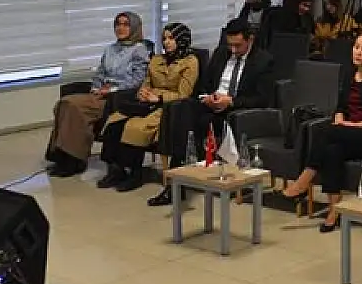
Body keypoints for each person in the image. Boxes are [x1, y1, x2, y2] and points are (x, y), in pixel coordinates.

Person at [281, 30, 362, 230]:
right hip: (345, 134)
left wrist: (353, 126)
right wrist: (340, 119)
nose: (358, 52)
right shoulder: (348, 74)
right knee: (331, 150)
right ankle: (334, 210)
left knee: (326, 132)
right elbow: (340, 107)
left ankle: (304, 180)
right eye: (356, 47)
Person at [96, 23, 198, 196]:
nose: (166, 42)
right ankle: (116, 169)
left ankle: (135, 173)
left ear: (181, 40)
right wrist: (143, 93)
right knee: (115, 121)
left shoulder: (190, 62)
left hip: (168, 107)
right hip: (146, 103)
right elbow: (147, 82)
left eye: (171, 38)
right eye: (164, 38)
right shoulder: (157, 59)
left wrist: (159, 98)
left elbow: (184, 94)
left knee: (135, 127)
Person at [46, 12, 151, 177]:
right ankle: (62, 156)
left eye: (126, 24)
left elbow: (137, 81)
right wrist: (96, 88)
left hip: (118, 97)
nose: (120, 28)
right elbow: (100, 74)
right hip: (99, 93)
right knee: (63, 104)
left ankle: (75, 159)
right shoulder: (110, 49)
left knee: (72, 105)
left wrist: (110, 90)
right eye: (118, 24)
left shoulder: (139, 50)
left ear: (135, 27)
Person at [191, 18, 276, 157]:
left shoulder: (263, 61)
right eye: (230, 45)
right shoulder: (221, 53)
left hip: (236, 108)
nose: (233, 50)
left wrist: (231, 101)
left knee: (206, 121)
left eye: (237, 45)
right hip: (212, 103)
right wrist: (207, 98)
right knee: (183, 109)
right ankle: (181, 163)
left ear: (250, 40)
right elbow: (204, 84)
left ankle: (209, 162)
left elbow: (262, 99)